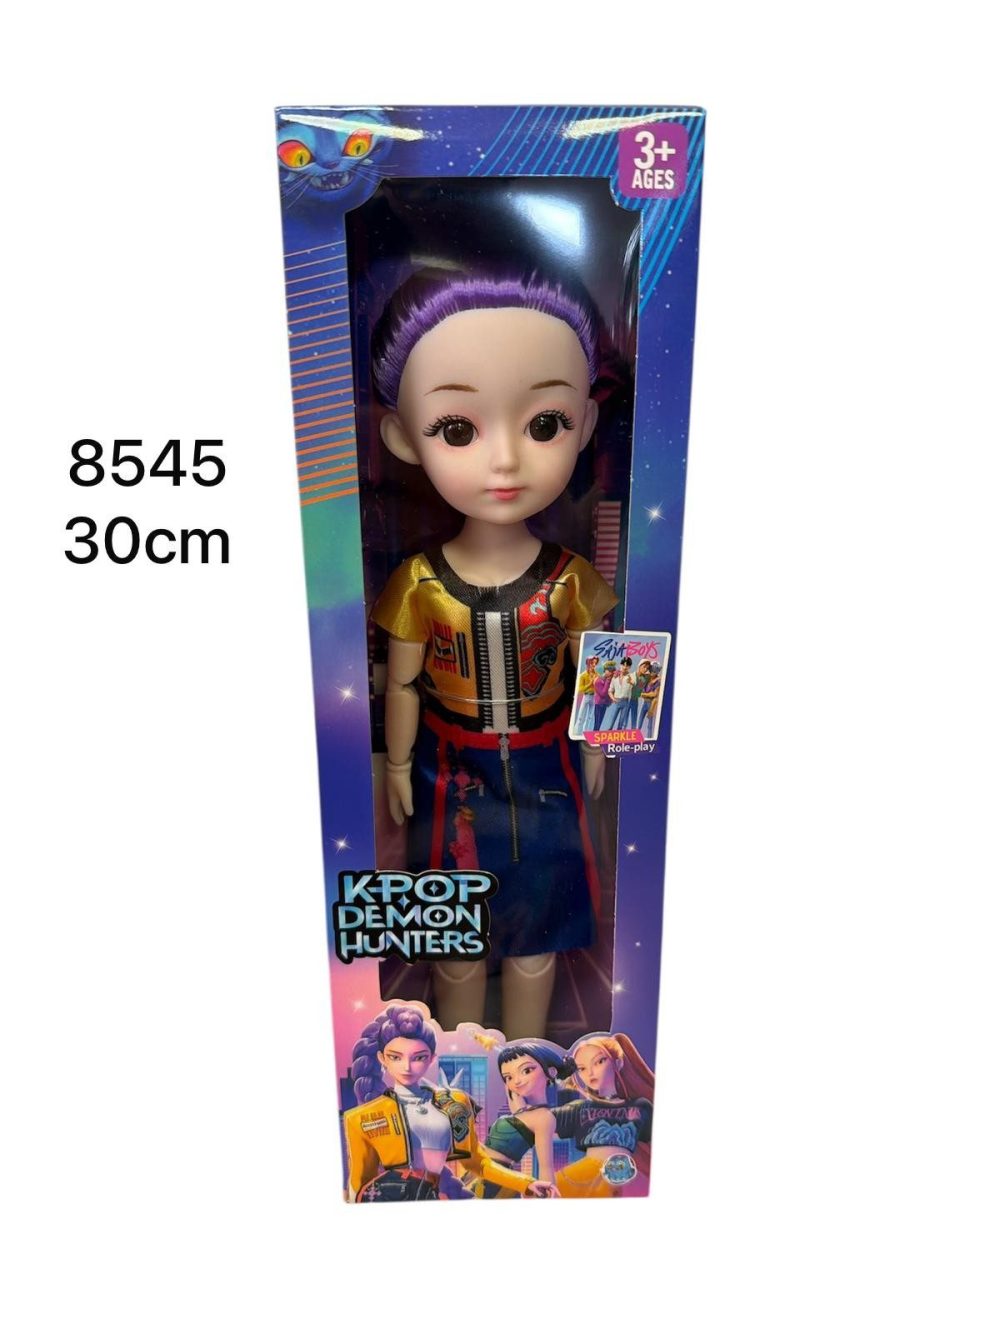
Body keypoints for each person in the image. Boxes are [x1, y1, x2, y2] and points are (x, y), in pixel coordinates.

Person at [369, 271, 618, 1038]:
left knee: (538, 940)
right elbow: (402, 684)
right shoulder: (420, 582)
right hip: (451, 771)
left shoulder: (568, 579)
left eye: (545, 423)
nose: (505, 460)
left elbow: (600, 662)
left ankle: (531, 1061)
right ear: (402, 436)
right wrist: (399, 765)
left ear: (585, 422)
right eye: (457, 428)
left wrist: (597, 743)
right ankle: (454, 1062)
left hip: (547, 767)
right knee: (456, 941)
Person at [343, 1005, 554, 1201]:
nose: (407, 1067)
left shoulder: (454, 1103)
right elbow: (360, 1183)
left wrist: (526, 1183)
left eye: (418, 1057)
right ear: (382, 1058)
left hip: (436, 1197)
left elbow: (478, 1163)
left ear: (432, 1058)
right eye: (395, 1057)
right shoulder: (361, 1118)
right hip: (390, 1202)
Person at [469, 1035, 577, 1197]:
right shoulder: (521, 1110)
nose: (517, 1081)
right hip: (482, 1171)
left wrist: (549, 1198)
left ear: (551, 1072)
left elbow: (546, 1166)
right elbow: (512, 1092)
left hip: (497, 1180)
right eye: (509, 1077)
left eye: (526, 1071)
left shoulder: (544, 1118)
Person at [553, 1032, 655, 1198]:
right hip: (577, 1180)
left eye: (599, 1061)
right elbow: (539, 1124)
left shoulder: (640, 1107)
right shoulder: (579, 1109)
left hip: (619, 1181)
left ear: (618, 1063)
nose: (590, 1073)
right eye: (582, 1068)